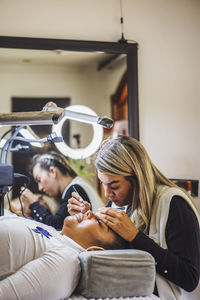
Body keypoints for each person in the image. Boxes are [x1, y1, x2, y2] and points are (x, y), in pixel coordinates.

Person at [68, 135, 200, 300]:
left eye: (114, 186)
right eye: (103, 184)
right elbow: (112, 246)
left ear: (137, 178)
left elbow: (189, 278)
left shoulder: (174, 203)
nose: (108, 194)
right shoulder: (118, 202)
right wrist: (89, 216)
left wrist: (135, 236)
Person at [0, 211, 126, 300]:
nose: (90, 213)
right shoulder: (55, 234)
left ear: (95, 250)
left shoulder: (66, 262)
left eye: (98, 222)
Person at [20, 151, 103, 230]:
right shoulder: (76, 185)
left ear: (52, 172)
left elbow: (55, 228)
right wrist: (45, 209)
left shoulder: (74, 190)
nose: (39, 188)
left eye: (39, 180)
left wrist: (34, 204)